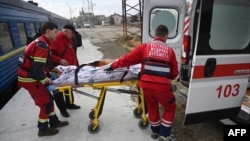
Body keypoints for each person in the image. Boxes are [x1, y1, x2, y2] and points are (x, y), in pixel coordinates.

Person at [105, 25, 179, 141]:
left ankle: (155, 132)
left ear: (155, 35)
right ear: (166, 36)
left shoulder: (145, 47)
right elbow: (174, 73)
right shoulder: (170, 51)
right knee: (170, 108)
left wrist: (112, 66)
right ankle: (164, 135)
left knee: (152, 107)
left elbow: (127, 58)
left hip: (146, 85)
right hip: (162, 87)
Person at [17, 21, 69, 137]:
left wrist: (52, 70)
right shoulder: (42, 46)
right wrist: (47, 83)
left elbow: (41, 65)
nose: (57, 34)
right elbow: (36, 71)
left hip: (30, 77)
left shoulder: (40, 42)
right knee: (45, 103)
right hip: (30, 79)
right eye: (55, 32)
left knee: (49, 99)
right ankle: (43, 129)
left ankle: (54, 122)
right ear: (48, 31)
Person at [50, 24, 81, 117]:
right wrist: (59, 60)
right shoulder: (57, 38)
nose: (73, 35)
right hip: (57, 69)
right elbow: (49, 55)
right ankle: (63, 109)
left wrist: (76, 66)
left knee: (69, 86)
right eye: (72, 33)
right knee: (58, 90)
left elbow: (72, 54)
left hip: (69, 68)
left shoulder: (70, 40)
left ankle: (69, 104)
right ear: (66, 31)